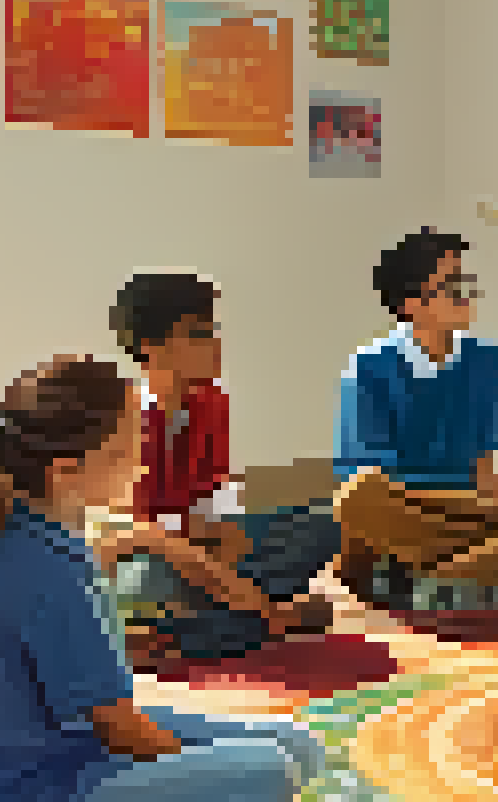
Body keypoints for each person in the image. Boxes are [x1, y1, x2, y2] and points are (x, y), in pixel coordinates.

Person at [0, 355, 326, 802]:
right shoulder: (47, 566)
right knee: (274, 769)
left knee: (297, 744)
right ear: (66, 471)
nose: (143, 464)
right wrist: (196, 775)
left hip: (12, 776)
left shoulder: (17, 531)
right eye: (127, 452)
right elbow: (120, 729)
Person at [98, 273, 337, 667]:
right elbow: (134, 536)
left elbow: (217, 497)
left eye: (213, 330)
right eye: (198, 333)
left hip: (198, 550)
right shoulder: (127, 419)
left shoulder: (212, 401)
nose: (216, 345)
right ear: (150, 347)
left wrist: (222, 537)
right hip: (154, 562)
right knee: (146, 580)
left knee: (322, 524)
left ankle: (194, 631)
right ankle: (254, 623)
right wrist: (263, 604)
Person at [334, 227, 498, 611]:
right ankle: (459, 578)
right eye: (452, 286)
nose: (467, 295)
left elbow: (485, 471)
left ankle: (427, 582)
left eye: (467, 283)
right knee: (356, 497)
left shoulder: (486, 360)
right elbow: (369, 475)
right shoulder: (369, 366)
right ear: (411, 304)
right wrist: (445, 510)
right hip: (402, 507)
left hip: (463, 513)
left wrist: (483, 511)